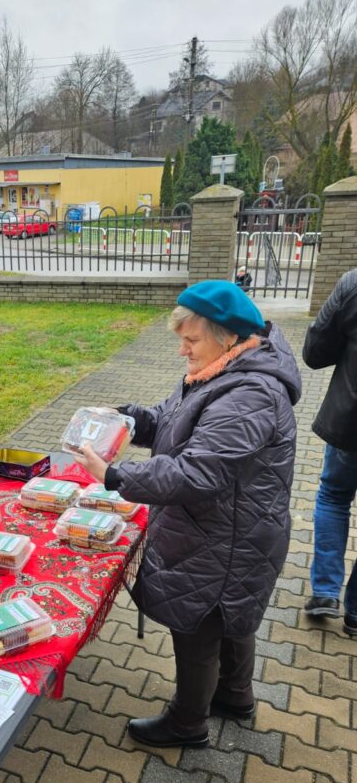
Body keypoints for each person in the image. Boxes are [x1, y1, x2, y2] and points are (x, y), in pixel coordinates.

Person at [76, 280, 301, 749]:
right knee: (229, 617)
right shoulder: (224, 369)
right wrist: (127, 418)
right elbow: (170, 418)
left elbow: (195, 472)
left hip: (227, 538)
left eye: (191, 340)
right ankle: (235, 697)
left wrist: (115, 476)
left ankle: (187, 722)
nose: (182, 350)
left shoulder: (251, 393)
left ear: (230, 337)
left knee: (198, 628)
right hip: (231, 530)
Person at [302, 268, 357, 634]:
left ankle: (325, 592)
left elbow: (315, 352)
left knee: (334, 496)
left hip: (350, 423)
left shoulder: (353, 285)